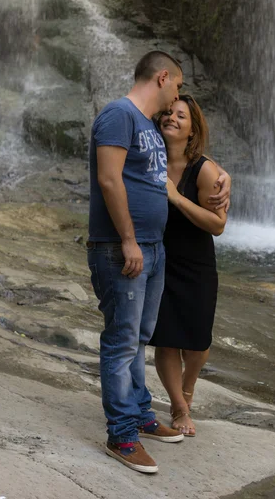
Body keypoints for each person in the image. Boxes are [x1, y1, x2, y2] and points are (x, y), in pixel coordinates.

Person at [87, 52, 230, 474]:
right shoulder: (119, 115)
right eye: (177, 86)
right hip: (123, 248)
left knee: (140, 336)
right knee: (121, 339)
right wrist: (128, 240)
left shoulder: (148, 128)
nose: (177, 97)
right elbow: (109, 179)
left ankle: (141, 415)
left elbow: (186, 160)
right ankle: (122, 436)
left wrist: (226, 179)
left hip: (154, 250)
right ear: (163, 77)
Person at [149, 94, 228, 437]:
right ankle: (180, 407)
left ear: (193, 128)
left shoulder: (205, 169)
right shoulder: (149, 158)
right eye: (167, 113)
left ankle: (188, 388)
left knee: (196, 343)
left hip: (195, 265)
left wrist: (177, 197)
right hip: (159, 260)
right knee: (166, 340)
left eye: (180, 116)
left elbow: (218, 224)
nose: (172, 118)